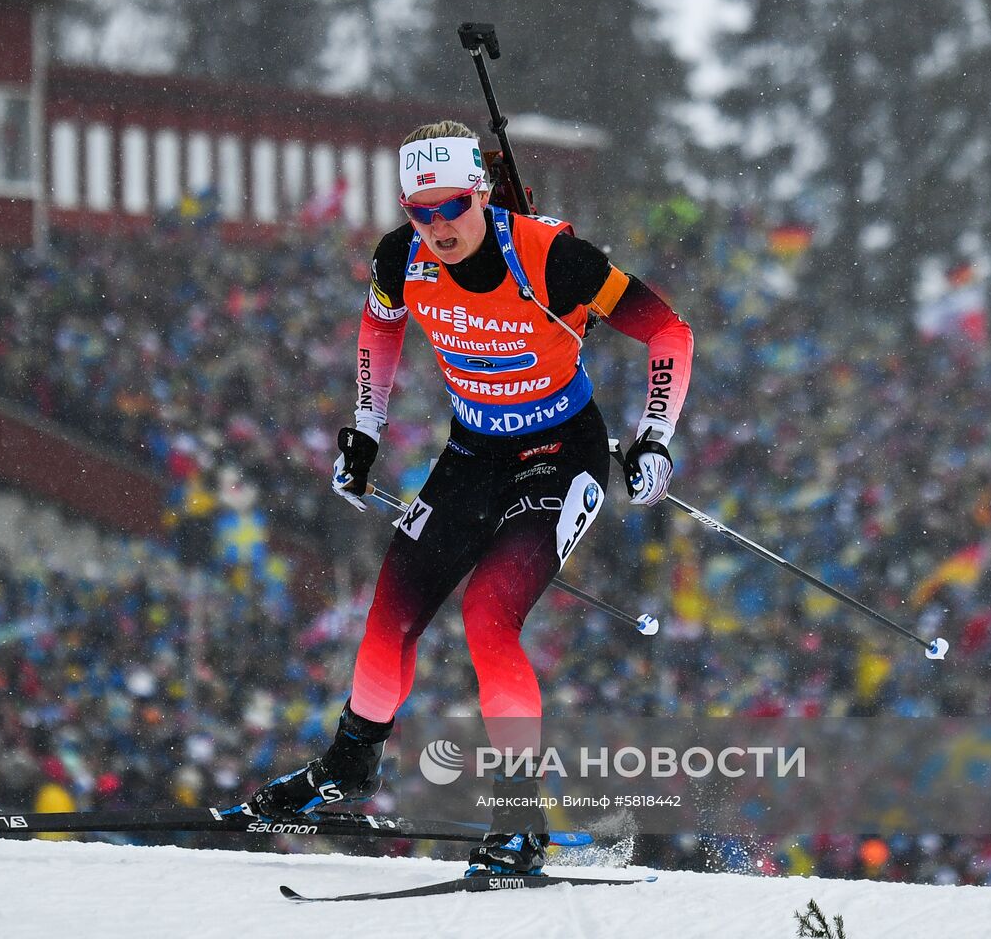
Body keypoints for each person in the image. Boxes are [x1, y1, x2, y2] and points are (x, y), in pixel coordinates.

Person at [243, 121, 694, 876]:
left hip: (561, 454)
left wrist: (653, 436)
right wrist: (364, 429)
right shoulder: (402, 255)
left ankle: (520, 817)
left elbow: (669, 331)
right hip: (473, 452)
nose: (437, 226)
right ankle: (350, 762)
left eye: (451, 206)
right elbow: (379, 327)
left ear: (480, 191)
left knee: (490, 614)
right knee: (389, 613)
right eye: (420, 210)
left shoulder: (554, 258)